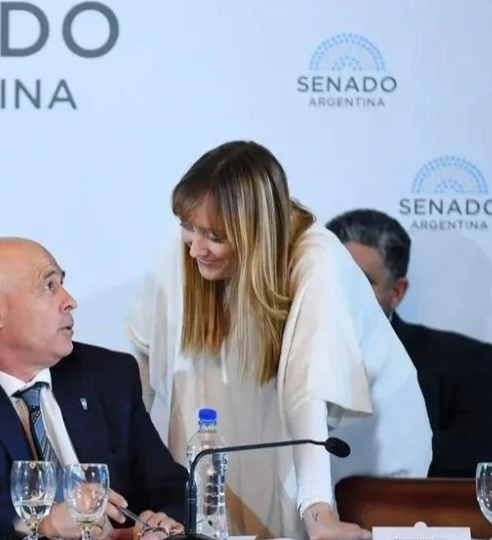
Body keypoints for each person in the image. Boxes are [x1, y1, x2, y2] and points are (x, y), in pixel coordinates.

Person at [126, 141, 432, 540]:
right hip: (276, 442)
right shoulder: (191, 240)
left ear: (255, 232)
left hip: (360, 453)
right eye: (189, 227)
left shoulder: (317, 259)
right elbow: (141, 355)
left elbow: (310, 390)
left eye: (214, 236)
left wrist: (319, 514)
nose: (195, 248)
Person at [0, 237, 187, 540]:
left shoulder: (109, 376)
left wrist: (162, 521)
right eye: (49, 286)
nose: (70, 300)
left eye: (62, 283)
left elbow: (170, 485)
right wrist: (43, 521)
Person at [326, 208, 492, 477]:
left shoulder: (465, 363)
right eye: (332, 279)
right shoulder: (277, 356)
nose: (342, 293)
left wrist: (372, 439)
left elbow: (485, 463)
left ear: (396, 292)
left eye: (361, 282)